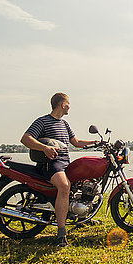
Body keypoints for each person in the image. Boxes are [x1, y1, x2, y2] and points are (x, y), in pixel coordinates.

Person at [20, 92, 97, 247]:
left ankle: (80, 217)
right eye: (68, 103)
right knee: (64, 186)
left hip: (65, 162)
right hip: (51, 164)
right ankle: (61, 233)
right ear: (63, 104)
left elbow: (76, 142)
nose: (70, 107)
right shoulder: (42, 121)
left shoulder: (64, 124)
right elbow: (25, 138)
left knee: (85, 182)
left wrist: (96, 142)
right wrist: (45, 148)